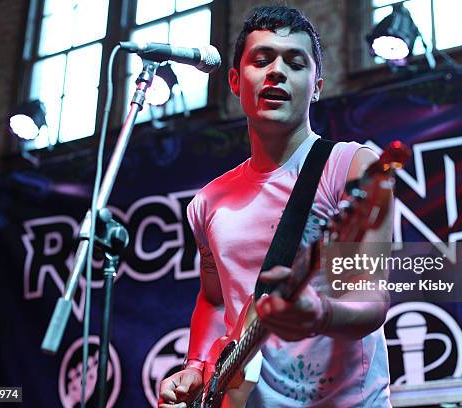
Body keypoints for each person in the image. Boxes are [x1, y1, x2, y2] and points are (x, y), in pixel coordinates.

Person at [159, 5, 392, 407]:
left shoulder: (352, 167)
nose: (277, 72)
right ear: (235, 80)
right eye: (262, 60)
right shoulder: (207, 201)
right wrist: (197, 366)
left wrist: (321, 314)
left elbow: (371, 299)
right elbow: (214, 298)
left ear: (316, 86)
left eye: (295, 63)